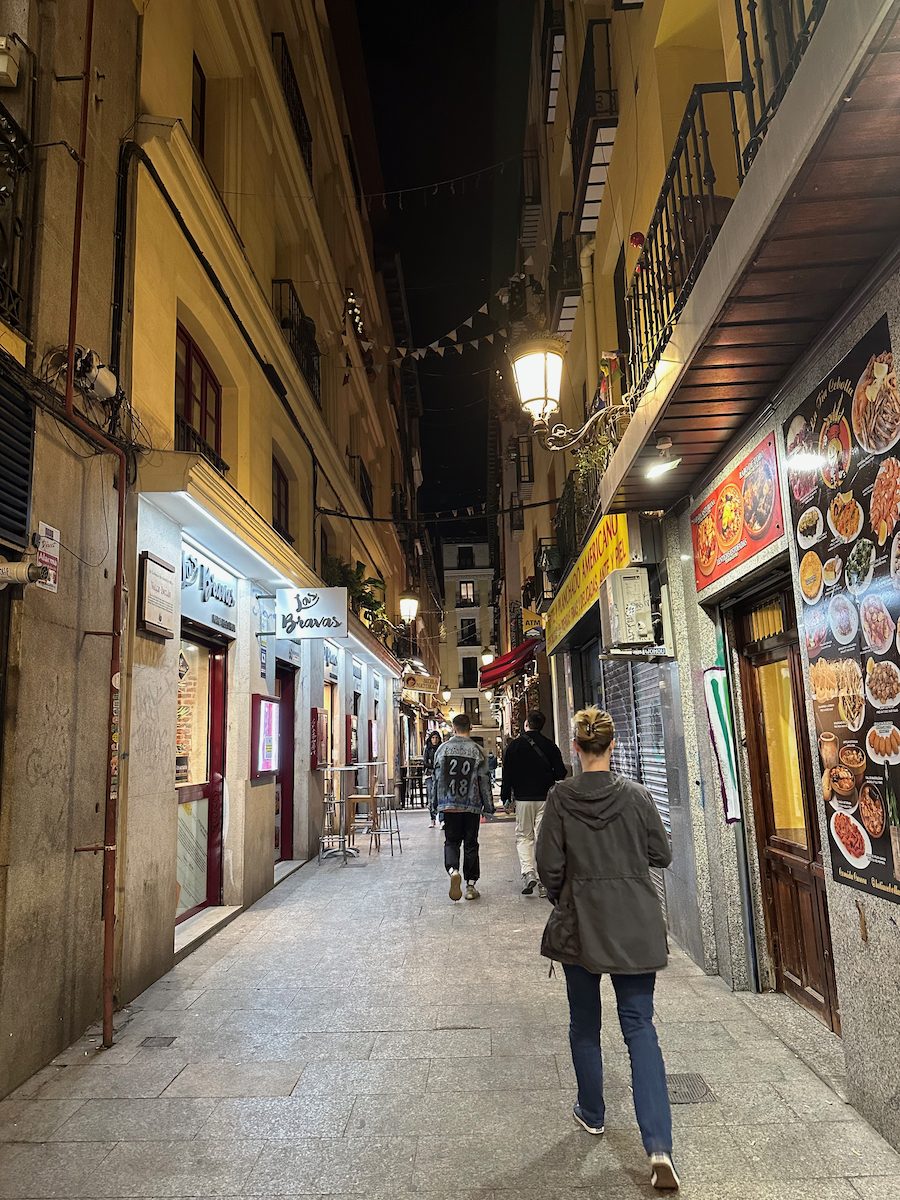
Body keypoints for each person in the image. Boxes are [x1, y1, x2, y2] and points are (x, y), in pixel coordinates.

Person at [535, 707, 678, 1191]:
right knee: (640, 1027)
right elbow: (662, 853)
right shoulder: (637, 795)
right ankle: (658, 1146)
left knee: (584, 1023)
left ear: (575, 747)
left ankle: (593, 1112)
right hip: (635, 923)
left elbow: (549, 867)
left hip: (582, 925)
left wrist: (569, 895)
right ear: (612, 745)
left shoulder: (560, 797)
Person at [501, 710, 566, 896]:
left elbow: (507, 774)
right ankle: (544, 880)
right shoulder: (550, 745)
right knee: (542, 837)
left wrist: (506, 797)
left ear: (526, 724)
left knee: (524, 836)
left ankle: (529, 872)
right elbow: (561, 773)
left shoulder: (514, 747)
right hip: (545, 798)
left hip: (523, 799)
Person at [433, 712, 494, 901]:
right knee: (471, 843)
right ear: (471, 728)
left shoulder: (442, 750)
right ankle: (470, 886)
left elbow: (436, 780)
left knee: (451, 841)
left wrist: (434, 805)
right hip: (471, 805)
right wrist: (488, 807)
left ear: (453, 729)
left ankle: (453, 870)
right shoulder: (478, 751)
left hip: (449, 804)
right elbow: (484, 781)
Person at [423, 730, 443, 828]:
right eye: (433, 738)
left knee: (441, 796)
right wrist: (434, 765)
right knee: (431, 797)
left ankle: (442, 819)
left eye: (436, 738)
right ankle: (432, 818)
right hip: (430, 775)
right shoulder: (427, 749)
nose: (435, 740)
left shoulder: (442, 748)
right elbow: (425, 763)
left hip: (440, 775)